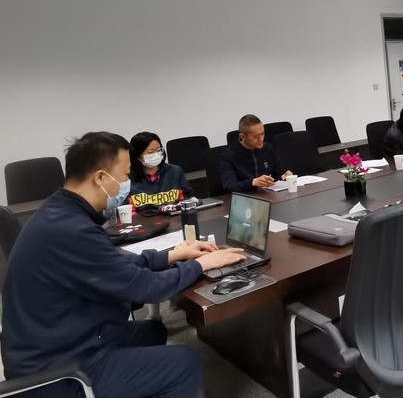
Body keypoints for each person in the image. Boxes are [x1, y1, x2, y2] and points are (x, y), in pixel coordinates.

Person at [1, 132, 244, 398]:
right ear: (101, 178)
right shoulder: (69, 230)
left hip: (63, 339)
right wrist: (200, 265)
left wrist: (173, 255)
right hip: (58, 371)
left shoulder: (62, 213)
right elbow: (145, 288)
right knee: (184, 363)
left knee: (152, 332)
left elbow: (115, 262)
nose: (127, 183)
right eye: (125, 175)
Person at [219, 114, 292, 192]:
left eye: (262, 134)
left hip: (267, 194)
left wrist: (283, 177)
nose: (261, 139)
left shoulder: (268, 149)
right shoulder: (228, 156)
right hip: (244, 196)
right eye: (255, 136)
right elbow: (229, 185)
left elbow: (276, 175)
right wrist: (253, 183)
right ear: (242, 137)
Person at [128, 131, 194, 212]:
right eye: (150, 152)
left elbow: (188, 199)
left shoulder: (175, 171)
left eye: (159, 150)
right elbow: (127, 212)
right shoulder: (128, 180)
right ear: (137, 155)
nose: (156, 154)